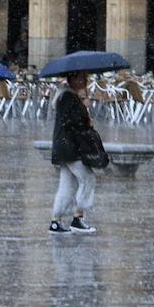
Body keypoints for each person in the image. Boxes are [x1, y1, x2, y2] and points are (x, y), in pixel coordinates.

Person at [48, 72, 99, 235]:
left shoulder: (66, 96)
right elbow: (74, 123)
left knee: (67, 185)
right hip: (70, 148)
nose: (86, 81)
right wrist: (86, 116)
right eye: (83, 78)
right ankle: (78, 216)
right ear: (75, 80)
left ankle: (56, 221)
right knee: (88, 178)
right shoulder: (68, 98)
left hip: (65, 147)